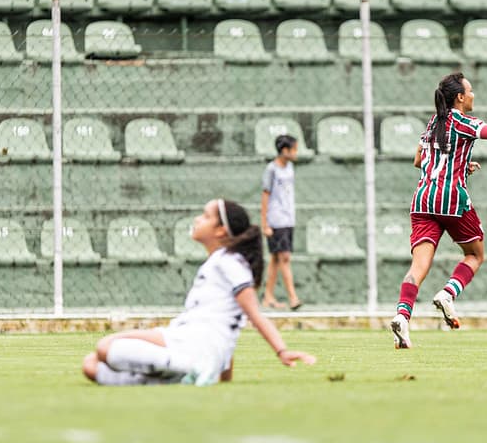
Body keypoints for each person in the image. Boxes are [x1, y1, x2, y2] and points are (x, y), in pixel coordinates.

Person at [82, 198, 316, 386]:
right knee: (91, 366)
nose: (197, 219)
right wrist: (224, 376)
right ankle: (181, 377)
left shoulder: (230, 262)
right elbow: (227, 327)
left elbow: (253, 314)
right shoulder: (220, 262)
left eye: (205, 216)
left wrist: (281, 351)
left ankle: (194, 368)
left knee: (105, 347)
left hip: (193, 343)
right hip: (188, 341)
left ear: (221, 231)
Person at [390, 73, 487, 349]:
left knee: (418, 266)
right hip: (451, 199)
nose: (473, 95)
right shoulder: (461, 121)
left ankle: (402, 315)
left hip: (423, 200)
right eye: (470, 91)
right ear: (460, 97)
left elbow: (418, 160)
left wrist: (461, 166)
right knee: (475, 254)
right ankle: (448, 294)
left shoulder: (433, 123)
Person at [260, 134, 302, 310]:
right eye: (294, 149)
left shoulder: (290, 168)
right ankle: (293, 297)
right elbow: (265, 195)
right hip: (276, 219)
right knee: (284, 257)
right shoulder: (271, 170)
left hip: (288, 217)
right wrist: (265, 223)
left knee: (276, 259)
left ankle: (268, 296)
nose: (296, 153)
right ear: (285, 150)